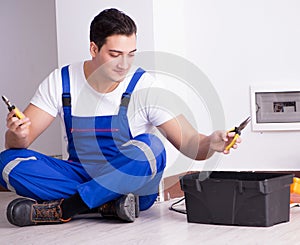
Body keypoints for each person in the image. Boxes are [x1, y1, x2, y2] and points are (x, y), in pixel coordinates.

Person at [0, 8, 240, 227]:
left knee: (152, 147)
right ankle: (107, 204)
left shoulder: (144, 85)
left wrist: (212, 142)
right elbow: (16, 146)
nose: (124, 64)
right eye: (115, 54)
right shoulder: (61, 80)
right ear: (94, 48)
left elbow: (192, 145)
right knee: (6, 162)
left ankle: (68, 207)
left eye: (131, 54)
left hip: (132, 185)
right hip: (82, 174)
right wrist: (16, 133)